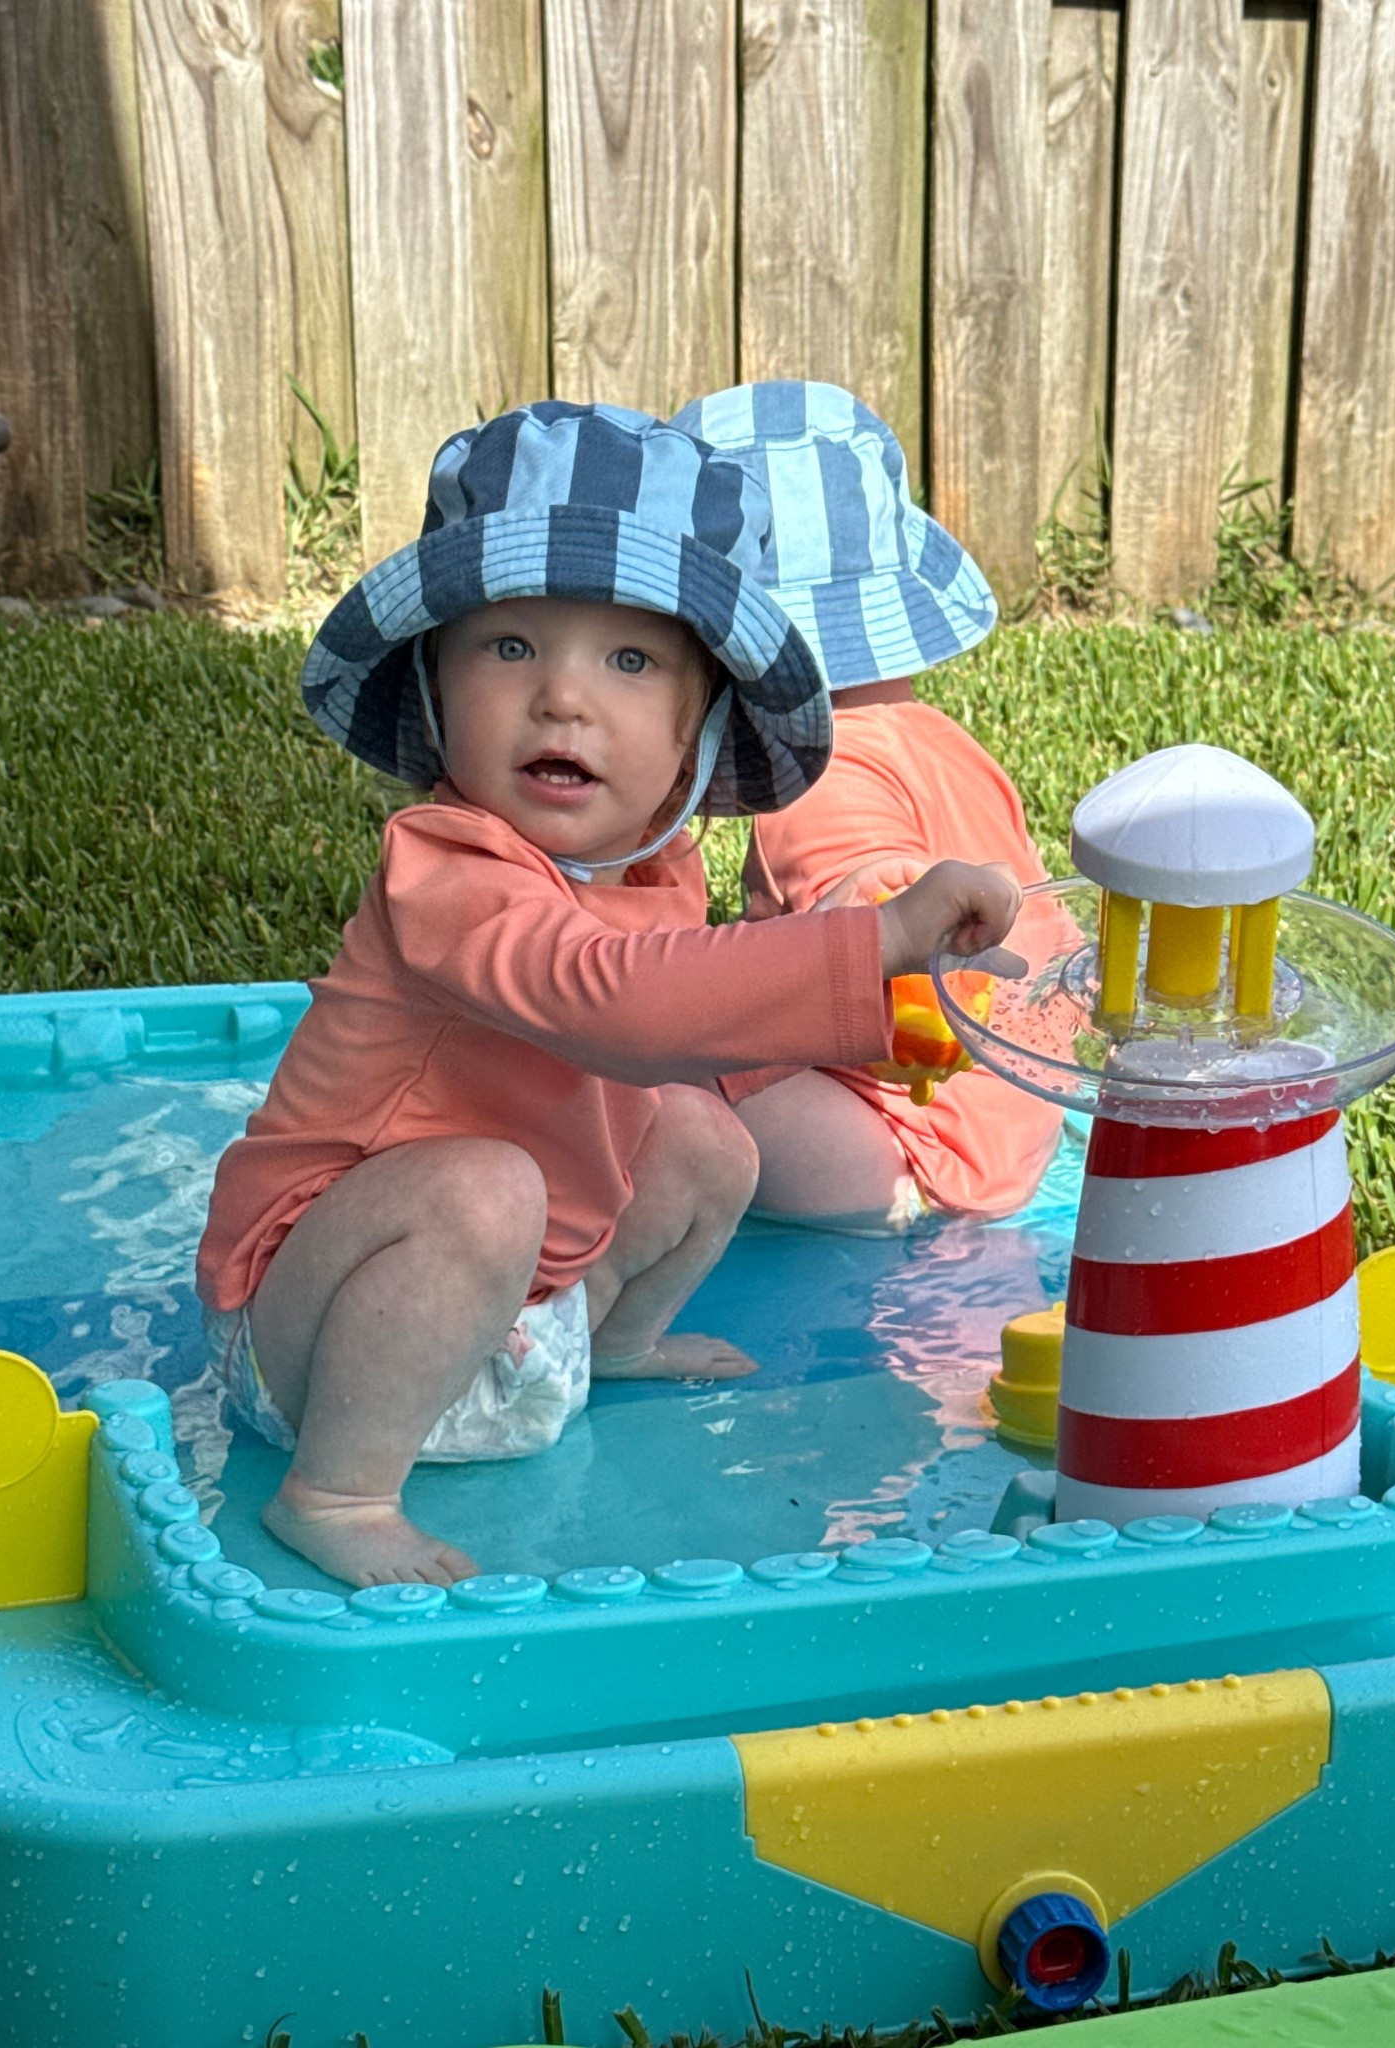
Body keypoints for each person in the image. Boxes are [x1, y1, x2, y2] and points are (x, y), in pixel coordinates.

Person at [195, 402, 1021, 1590]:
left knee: (703, 1134)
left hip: (509, 1298)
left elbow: (686, 1011)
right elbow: (613, 999)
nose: (564, 700)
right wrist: (874, 934)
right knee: (489, 1183)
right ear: (433, 688)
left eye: (630, 662)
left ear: (694, 738)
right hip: (310, 1329)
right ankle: (336, 1490)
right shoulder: (446, 868)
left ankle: (617, 1336)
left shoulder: (652, 868)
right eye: (512, 647)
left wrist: (881, 1006)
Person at [669, 380, 1068, 1233]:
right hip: (1019, 1120)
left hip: (895, 1147)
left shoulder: (819, 774)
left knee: (652, 1073)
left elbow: (874, 892)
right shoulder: (941, 741)